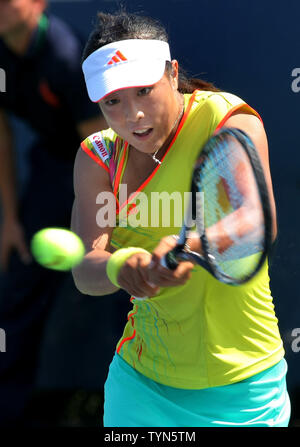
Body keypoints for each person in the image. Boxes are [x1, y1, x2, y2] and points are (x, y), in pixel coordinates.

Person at [71, 11, 290, 427]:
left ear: (172, 74)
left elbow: (258, 223)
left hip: (246, 388)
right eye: (112, 101)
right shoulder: (97, 156)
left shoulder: (226, 120)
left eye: (143, 90)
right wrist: (122, 267)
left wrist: (187, 245)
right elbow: (85, 267)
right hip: (141, 386)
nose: (132, 114)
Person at [0, 0, 107, 426]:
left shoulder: (65, 56)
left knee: (122, 286)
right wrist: (10, 218)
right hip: (49, 172)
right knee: (17, 293)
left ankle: (134, 414)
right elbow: (1, 132)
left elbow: (100, 150)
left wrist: (101, 225)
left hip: (100, 169)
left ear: (38, 3)